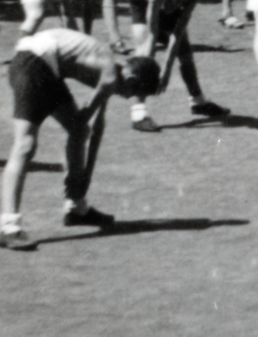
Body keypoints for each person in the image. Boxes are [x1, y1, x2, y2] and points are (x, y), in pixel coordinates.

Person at [1, 30, 161, 249]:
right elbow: (89, 116)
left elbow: (90, 123)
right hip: (32, 63)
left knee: (78, 131)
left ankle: (76, 207)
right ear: (132, 80)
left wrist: (81, 180)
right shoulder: (111, 76)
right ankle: (8, 226)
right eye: (132, 93)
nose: (127, 98)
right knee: (25, 145)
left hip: (45, 66)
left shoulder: (113, 68)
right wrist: (83, 177)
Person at [128, 0, 229, 129]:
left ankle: (198, 102)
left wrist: (167, 71)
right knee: (144, 56)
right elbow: (153, 35)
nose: (181, 0)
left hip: (166, 2)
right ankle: (138, 113)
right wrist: (153, 67)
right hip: (142, 2)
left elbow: (177, 34)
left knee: (185, 53)